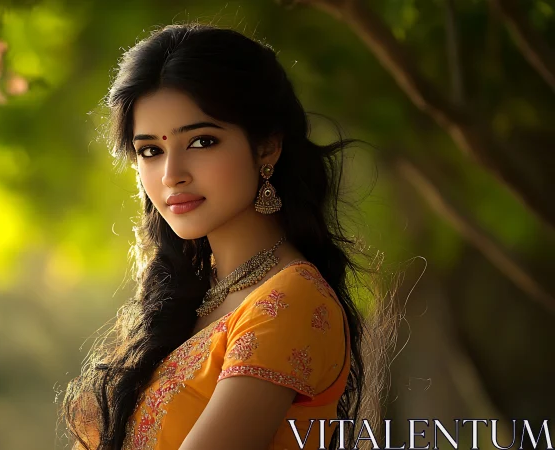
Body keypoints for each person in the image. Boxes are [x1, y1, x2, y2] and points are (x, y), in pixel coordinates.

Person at [61, 22, 388, 450]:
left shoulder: (289, 300)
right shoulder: (197, 299)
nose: (171, 174)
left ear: (267, 146)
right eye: (150, 151)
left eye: (201, 141)